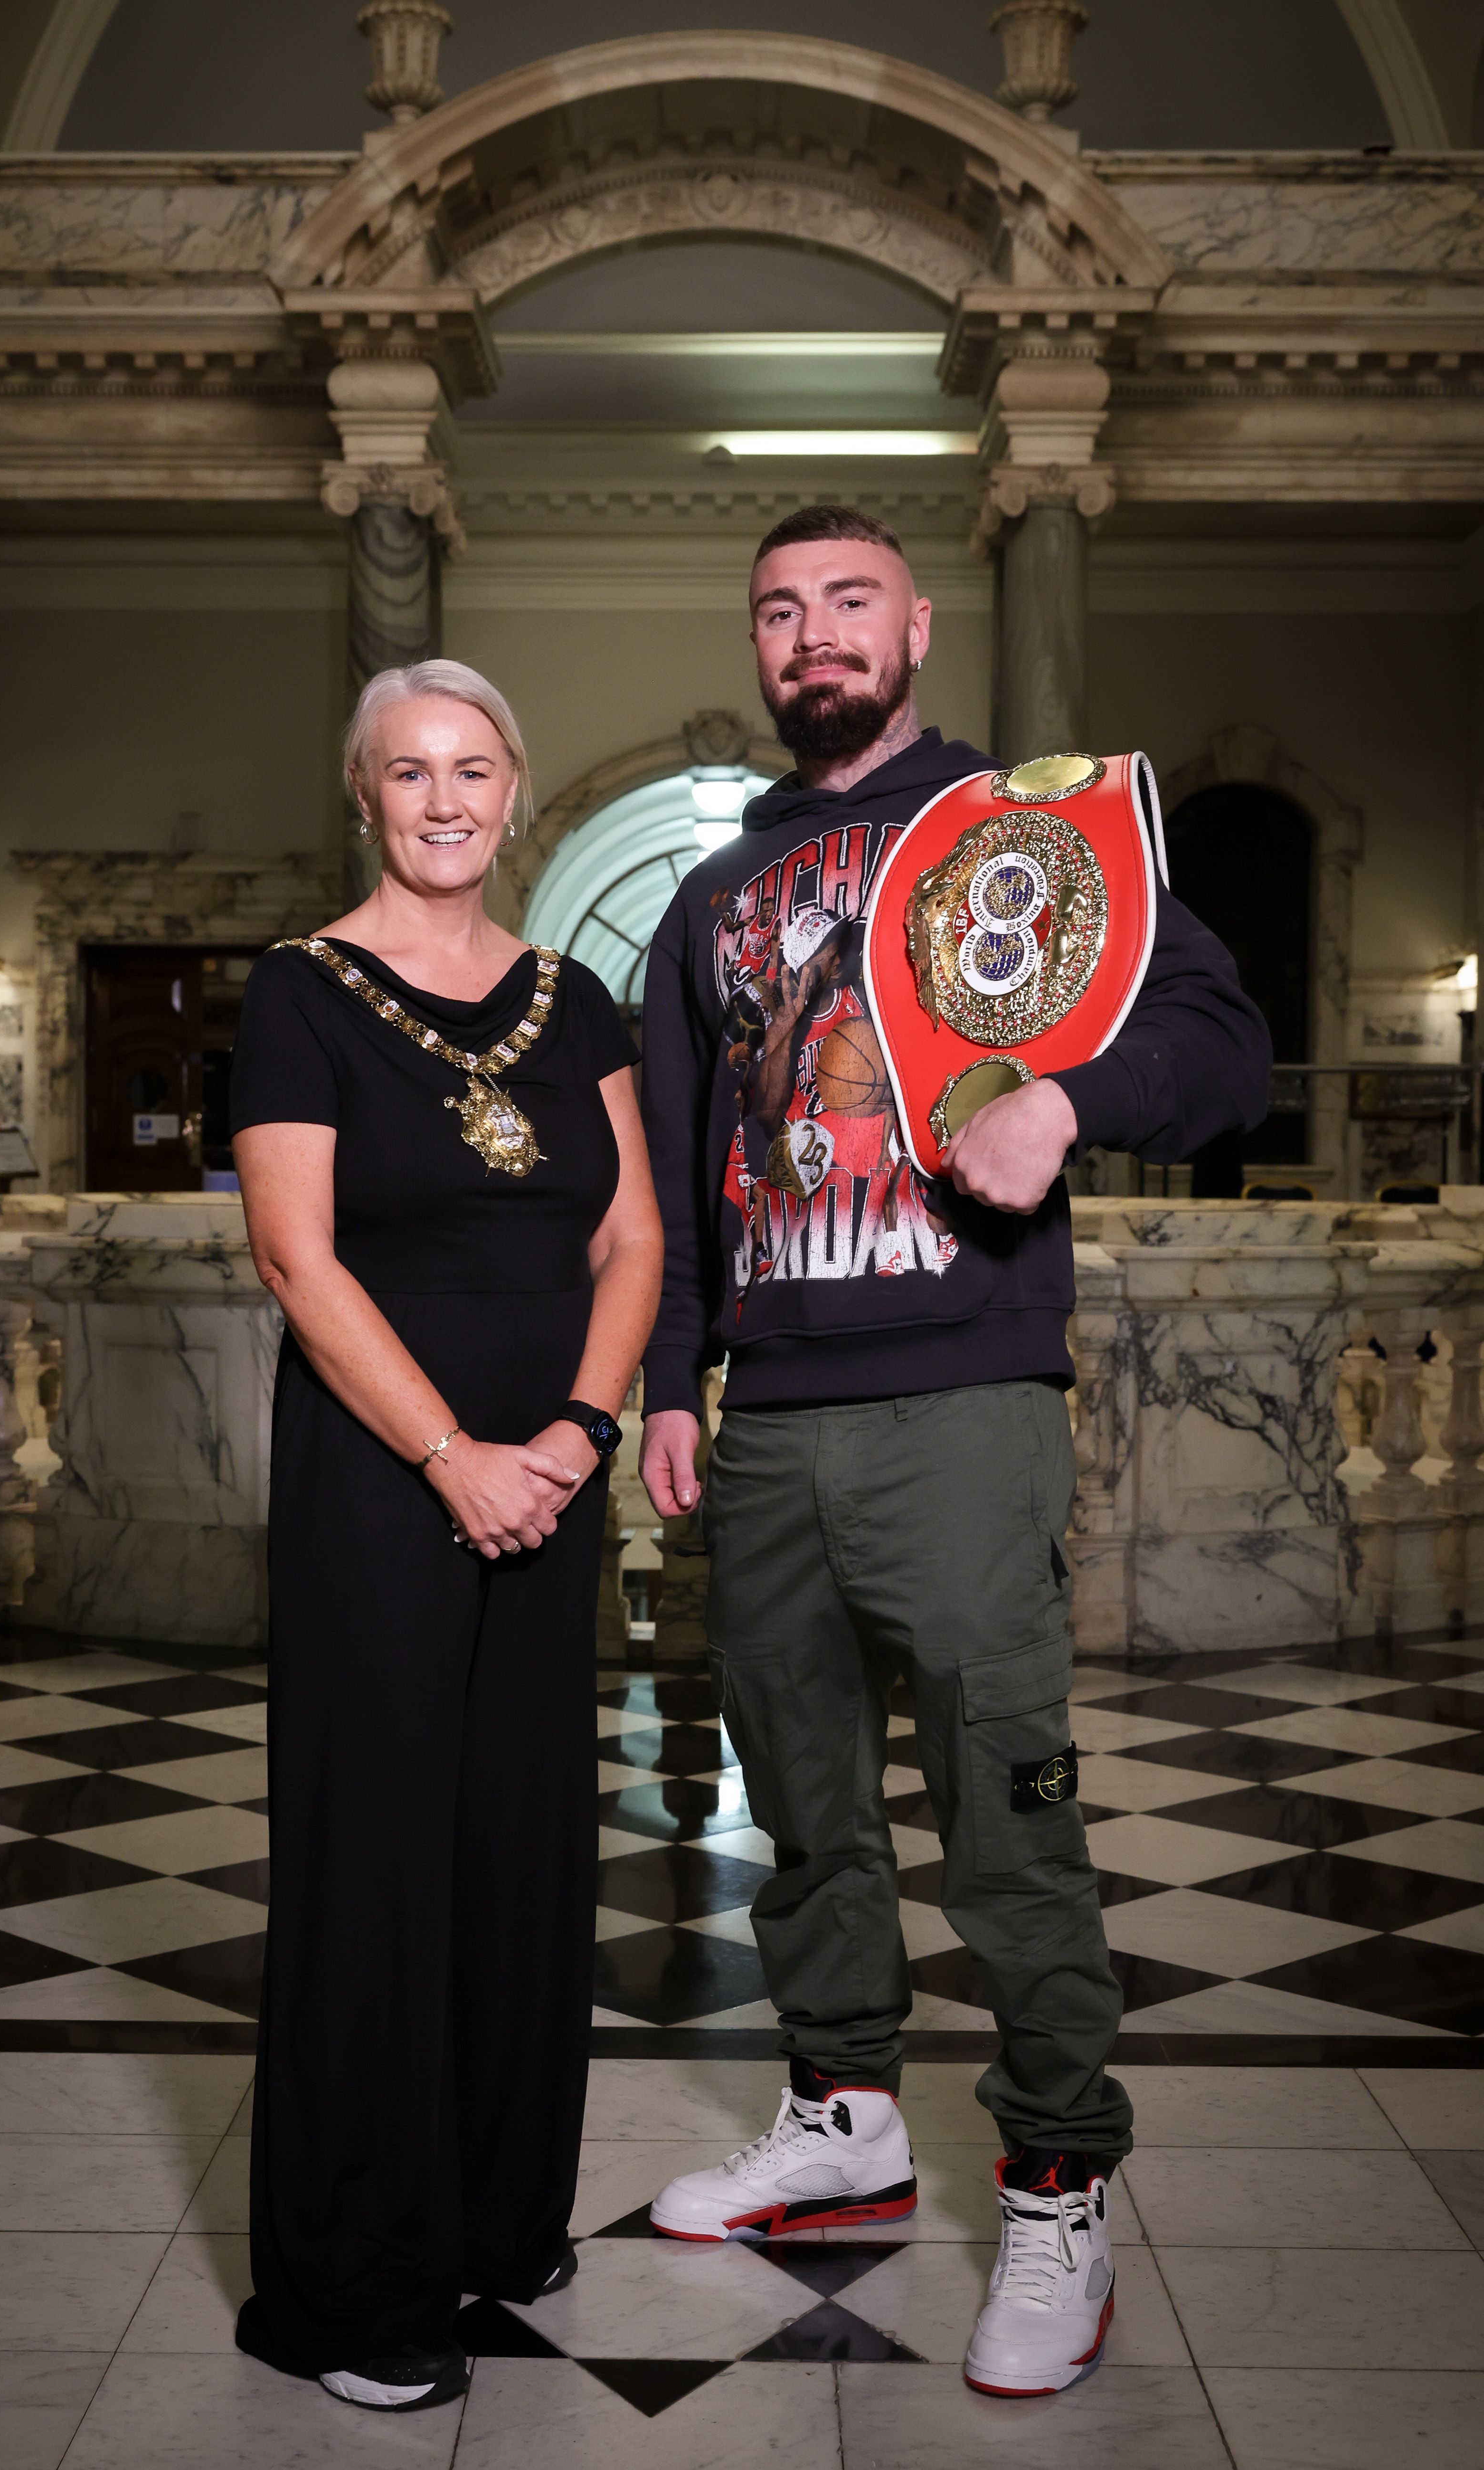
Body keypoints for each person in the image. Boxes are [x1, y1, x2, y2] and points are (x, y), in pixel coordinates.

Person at [638, 505, 1270, 2396]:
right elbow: (687, 1173)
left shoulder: (1025, 830)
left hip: (965, 1402)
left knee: (1011, 1809)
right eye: (779, 610)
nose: (812, 634)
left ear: (915, 624)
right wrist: (676, 1381)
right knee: (802, 1806)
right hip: (769, 1417)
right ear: (758, 646)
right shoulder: (708, 895)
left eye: (848, 601)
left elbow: (1224, 1053)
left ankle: (1062, 2191)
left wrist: (1070, 1098)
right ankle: (844, 2119)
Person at [229, 658, 662, 2414]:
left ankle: (495, 2211)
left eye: (472, 767)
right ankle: (358, 2273)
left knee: (517, 1846)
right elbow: (295, 1259)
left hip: (546, 1481)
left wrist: (571, 1435)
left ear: (513, 787)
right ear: (362, 792)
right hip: (380, 1486)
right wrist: (450, 1456)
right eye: (407, 771)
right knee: (381, 1855)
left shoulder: (575, 1001)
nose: (443, 798)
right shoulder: (299, 993)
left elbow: (628, 1238)